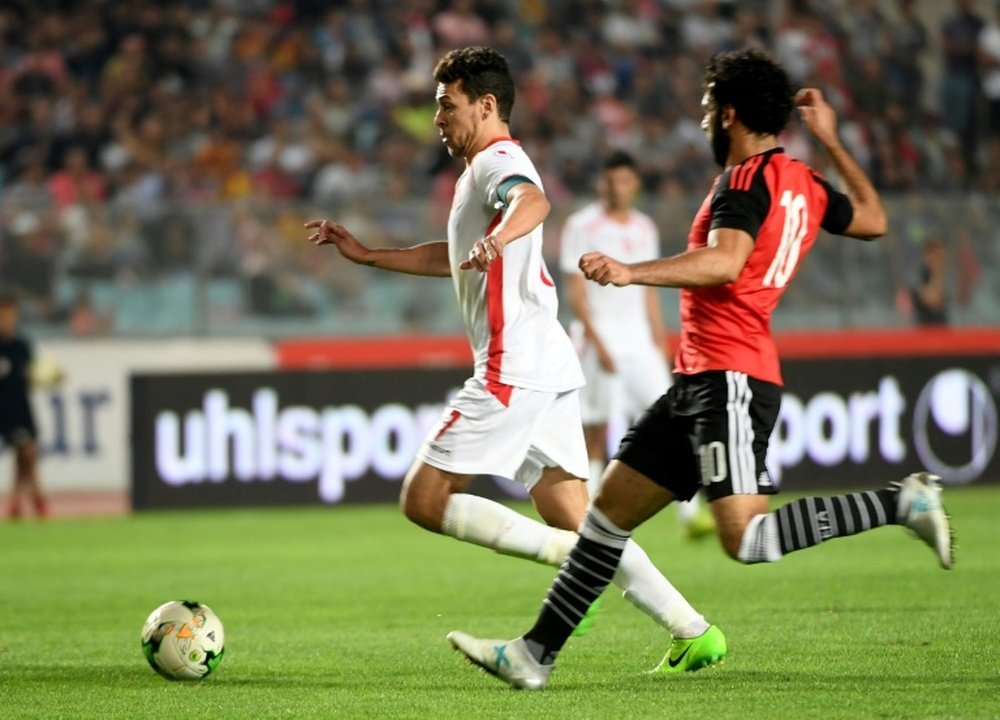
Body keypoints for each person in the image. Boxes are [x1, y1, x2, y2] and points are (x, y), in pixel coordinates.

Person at [448, 48, 954, 691]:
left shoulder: (745, 182)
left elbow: (725, 262)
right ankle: (533, 656)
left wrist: (633, 273)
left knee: (746, 538)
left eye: (710, 109)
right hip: (697, 378)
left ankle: (899, 501)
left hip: (732, 377)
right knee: (605, 516)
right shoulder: (800, 180)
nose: (705, 122)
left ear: (732, 113)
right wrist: (828, 142)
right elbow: (875, 220)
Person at [305, 46, 714, 660]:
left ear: (486, 104)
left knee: (423, 499)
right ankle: (694, 630)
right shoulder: (478, 172)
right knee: (582, 518)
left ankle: (570, 564)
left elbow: (533, 202)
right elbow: (449, 256)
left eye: (447, 105)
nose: (438, 118)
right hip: (544, 358)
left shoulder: (499, 161)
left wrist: (497, 238)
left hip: (512, 362)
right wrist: (369, 255)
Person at [559, 149, 712, 538]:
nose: (616, 187)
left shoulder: (644, 227)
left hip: (640, 342)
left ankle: (691, 515)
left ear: (634, 184)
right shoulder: (582, 225)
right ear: (601, 183)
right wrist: (597, 342)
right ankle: (588, 516)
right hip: (600, 339)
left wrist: (660, 341)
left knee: (675, 423)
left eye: (624, 180)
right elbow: (575, 292)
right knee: (597, 427)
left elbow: (647, 289)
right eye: (610, 180)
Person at [0, 290, 47, 519]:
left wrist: (48, 378)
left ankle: (19, 502)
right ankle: (33, 498)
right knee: (25, 454)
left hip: (19, 407)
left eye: (10, 314)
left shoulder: (21, 346)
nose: (7, 319)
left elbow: (31, 377)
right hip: (2, 407)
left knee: (26, 453)